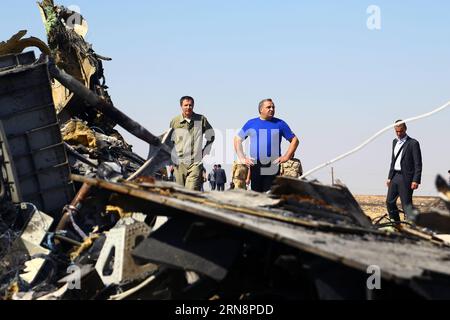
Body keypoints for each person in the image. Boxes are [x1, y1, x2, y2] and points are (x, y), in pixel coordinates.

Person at [234, 99, 299, 192]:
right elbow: (237, 139)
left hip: (273, 164)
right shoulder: (251, 123)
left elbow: (295, 140)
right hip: (255, 164)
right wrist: (242, 158)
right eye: (268, 107)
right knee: (256, 194)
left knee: (270, 194)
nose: (272, 109)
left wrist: (286, 156)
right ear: (261, 109)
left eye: (273, 107)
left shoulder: (280, 123)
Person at [170, 96, 215, 191]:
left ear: (193, 106)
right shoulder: (175, 121)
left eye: (190, 105)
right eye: (185, 105)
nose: (188, 107)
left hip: (195, 162)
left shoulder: (201, 119)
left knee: (190, 190)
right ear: (181, 106)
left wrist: (205, 151)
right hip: (179, 162)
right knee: (180, 191)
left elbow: (211, 136)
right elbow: (170, 142)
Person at [386, 120, 422, 222]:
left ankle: (411, 225)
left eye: (401, 131)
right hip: (395, 176)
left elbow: (418, 163)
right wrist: (389, 177)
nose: (398, 133)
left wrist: (416, 180)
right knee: (389, 201)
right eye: (396, 131)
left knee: (406, 204)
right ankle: (396, 224)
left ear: (405, 129)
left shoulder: (413, 143)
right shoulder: (394, 142)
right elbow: (393, 161)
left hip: (406, 178)